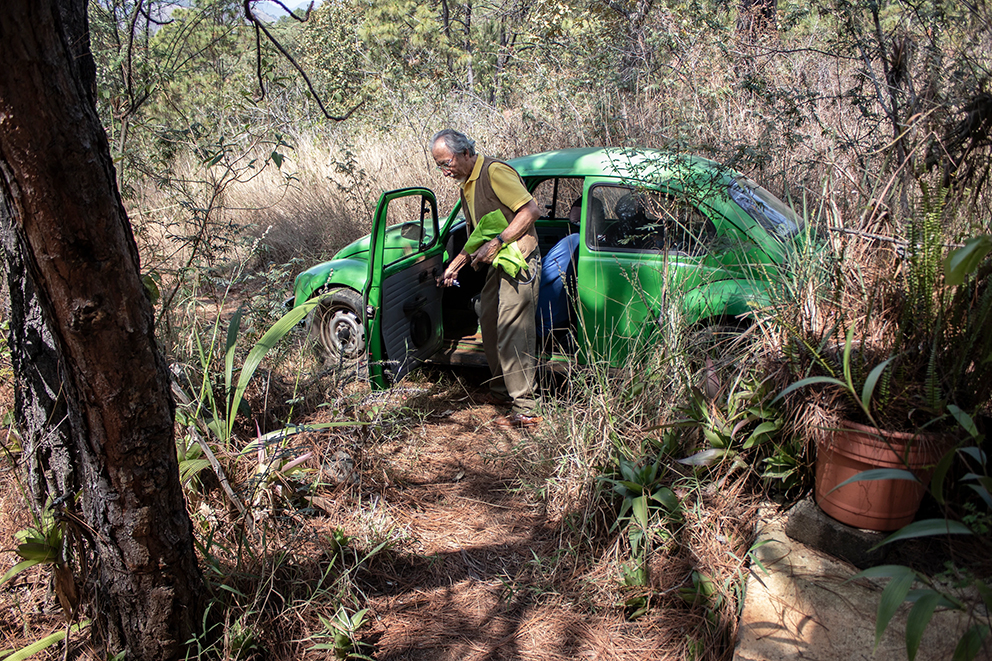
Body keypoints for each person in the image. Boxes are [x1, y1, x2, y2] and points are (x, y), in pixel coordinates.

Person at [431, 129, 543, 428]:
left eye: (447, 163)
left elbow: (530, 211)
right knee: (489, 322)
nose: (445, 171)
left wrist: (498, 242)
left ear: (466, 152)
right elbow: (480, 233)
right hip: (498, 263)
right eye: (439, 166)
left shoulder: (494, 172)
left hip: (519, 260)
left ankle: (526, 408)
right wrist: (455, 265)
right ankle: (502, 391)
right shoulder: (466, 184)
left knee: (513, 330)